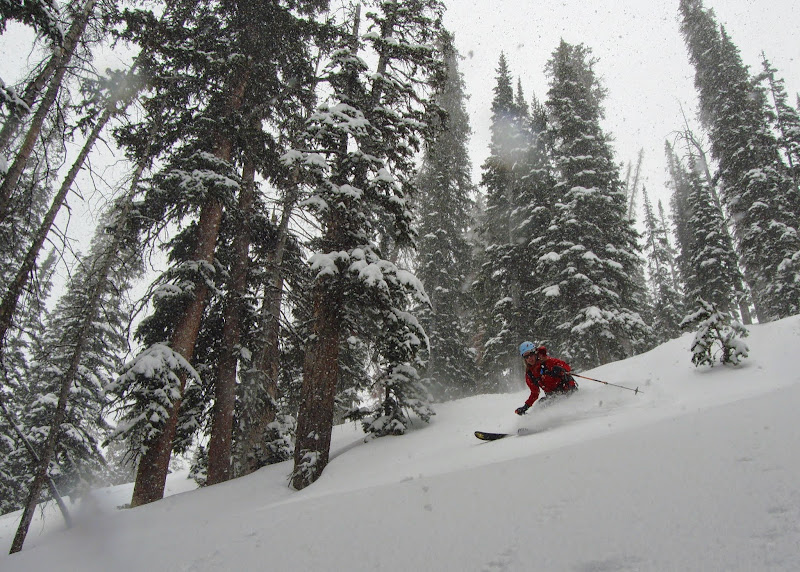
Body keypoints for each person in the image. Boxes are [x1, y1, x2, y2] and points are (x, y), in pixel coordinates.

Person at [515, 341, 578, 415]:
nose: (529, 358)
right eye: (526, 356)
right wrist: (526, 406)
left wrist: (559, 369)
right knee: (541, 404)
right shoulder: (530, 374)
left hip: (568, 390)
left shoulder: (548, 362)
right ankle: (534, 421)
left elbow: (567, 368)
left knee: (560, 403)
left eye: (531, 354)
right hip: (552, 395)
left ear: (535, 353)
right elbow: (535, 393)